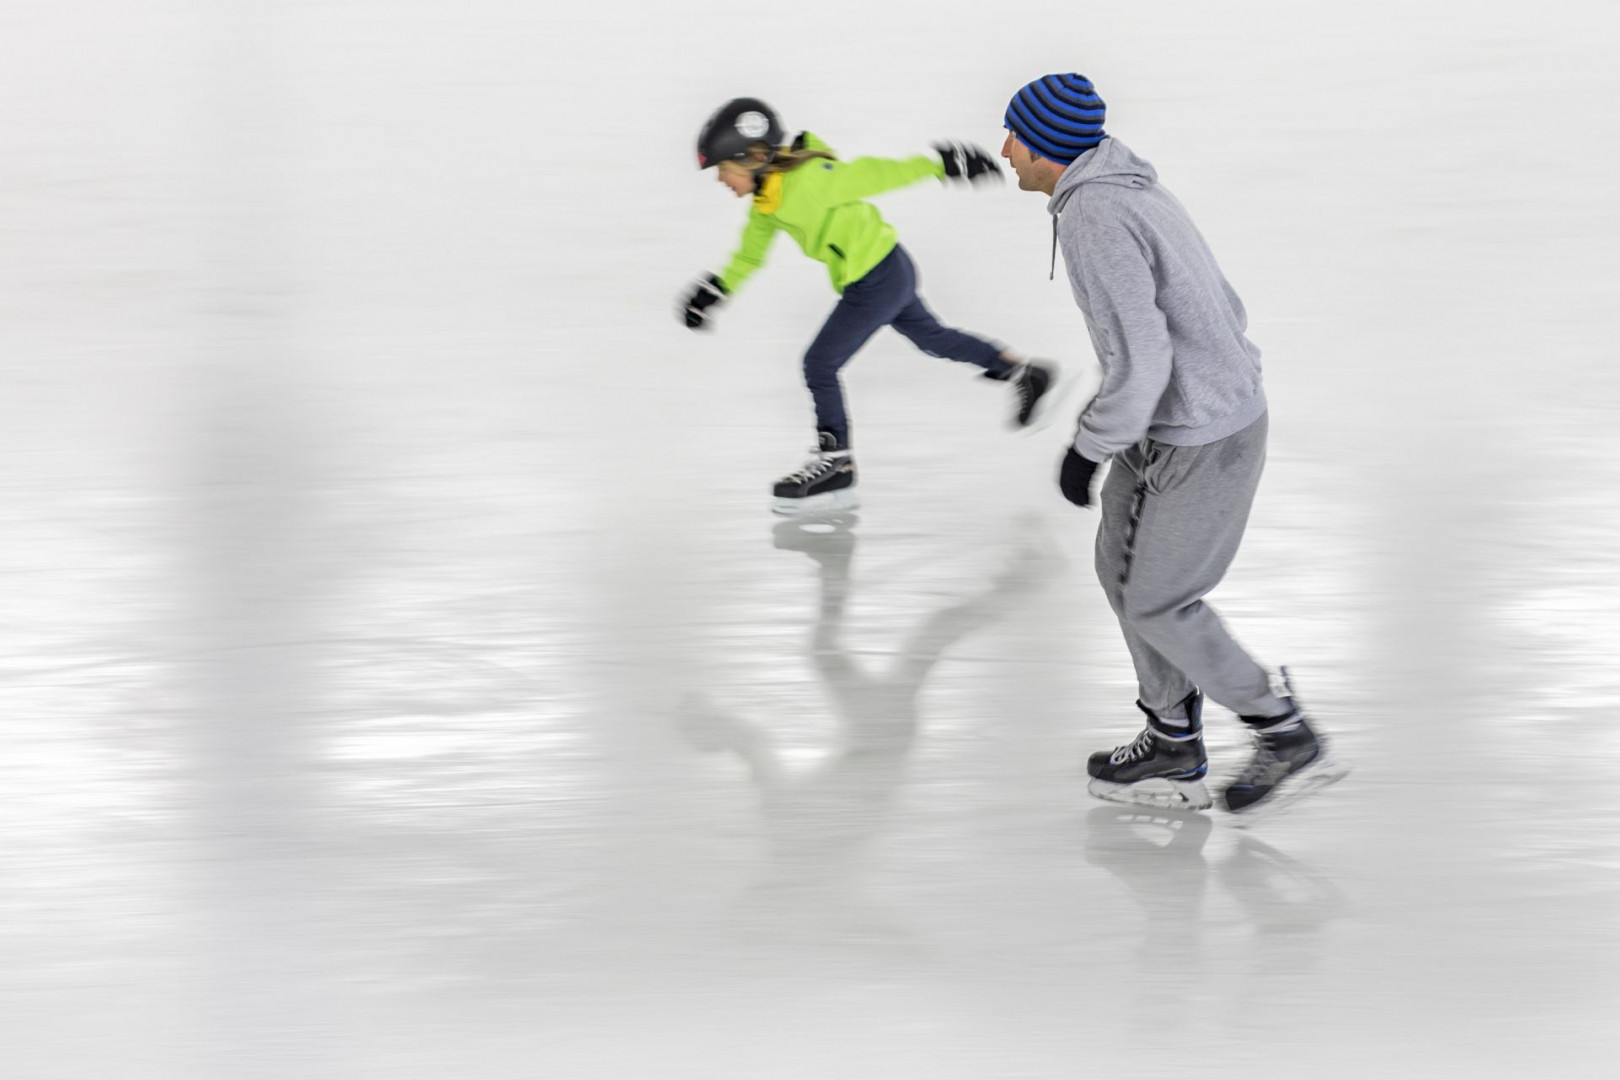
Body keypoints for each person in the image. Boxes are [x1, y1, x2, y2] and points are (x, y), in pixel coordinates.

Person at [999, 72, 1348, 817]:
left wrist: (1090, 444)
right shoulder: (1115, 189)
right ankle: (1171, 741)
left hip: (1205, 434)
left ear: (1049, 149)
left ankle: (1282, 730)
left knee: (1160, 599)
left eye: (1016, 138)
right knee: (1117, 570)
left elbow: (1145, 355)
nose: (1005, 151)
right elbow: (1208, 308)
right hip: (1168, 422)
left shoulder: (1097, 212)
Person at [681, 97, 1056, 515]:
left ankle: (835, 463)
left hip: (876, 278)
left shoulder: (812, 179)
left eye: (723, 169)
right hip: (884, 269)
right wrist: (715, 289)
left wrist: (940, 164)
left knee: (819, 364)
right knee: (934, 339)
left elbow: (874, 175)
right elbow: (749, 256)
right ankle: (1022, 372)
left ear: (752, 157)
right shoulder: (766, 204)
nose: (721, 180)